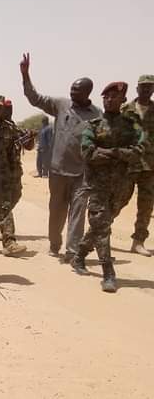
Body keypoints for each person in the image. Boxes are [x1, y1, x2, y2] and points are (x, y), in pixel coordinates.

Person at [20, 53, 101, 261]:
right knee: (56, 211)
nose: (71, 92)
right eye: (71, 89)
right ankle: (54, 244)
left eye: (76, 90)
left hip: (82, 173)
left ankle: (72, 251)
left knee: (77, 211)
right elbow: (35, 98)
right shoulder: (61, 104)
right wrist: (25, 75)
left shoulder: (97, 115)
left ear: (87, 93)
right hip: (57, 171)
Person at [70, 82, 143, 293]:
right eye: (106, 97)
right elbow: (88, 153)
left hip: (122, 187)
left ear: (123, 100)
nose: (109, 100)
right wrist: (118, 154)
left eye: (114, 97)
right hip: (97, 186)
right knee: (102, 226)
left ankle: (79, 256)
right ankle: (108, 273)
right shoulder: (93, 126)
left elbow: (139, 150)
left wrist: (112, 152)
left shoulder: (131, 126)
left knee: (101, 224)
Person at [0, 96, 35, 256]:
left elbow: (27, 145)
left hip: (9, 174)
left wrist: (30, 138)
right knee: (4, 206)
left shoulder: (10, 127)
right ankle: (9, 243)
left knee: (14, 197)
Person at [117, 74, 154, 256]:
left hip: (150, 165)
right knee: (118, 200)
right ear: (137, 88)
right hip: (128, 164)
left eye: (150, 87)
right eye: (143, 86)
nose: (146, 89)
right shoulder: (125, 109)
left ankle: (138, 242)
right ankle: (100, 233)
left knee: (146, 206)